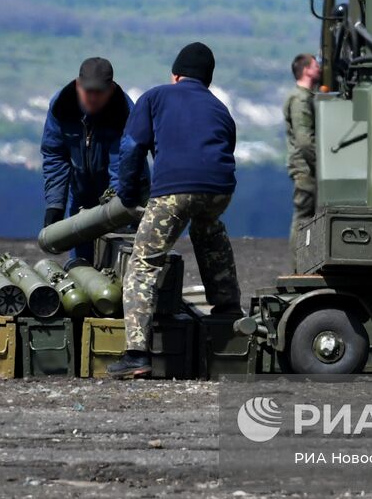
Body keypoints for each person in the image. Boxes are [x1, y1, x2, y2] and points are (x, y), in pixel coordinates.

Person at [108, 42, 242, 379]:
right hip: (220, 189)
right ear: (207, 80)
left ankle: (137, 354)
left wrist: (126, 193)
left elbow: (132, 146)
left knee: (143, 263)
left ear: (176, 74)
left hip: (174, 189)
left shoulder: (155, 97)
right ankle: (228, 307)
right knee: (208, 229)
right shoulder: (220, 108)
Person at [40, 57, 136, 263]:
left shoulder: (124, 111)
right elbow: (55, 155)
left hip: (122, 194)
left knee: (117, 259)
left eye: (99, 92)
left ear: (110, 90)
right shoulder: (62, 107)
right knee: (81, 264)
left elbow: (122, 163)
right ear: (78, 85)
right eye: (88, 91)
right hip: (81, 193)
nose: (92, 98)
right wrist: (55, 205)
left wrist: (116, 209)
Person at [284, 52, 320, 268]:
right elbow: (305, 140)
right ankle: (299, 267)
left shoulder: (305, 97)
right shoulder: (301, 99)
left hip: (306, 166)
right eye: (316, 65)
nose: (320, 68)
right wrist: (323, 166)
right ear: (306, 69)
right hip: (306, 168)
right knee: (304, 218)